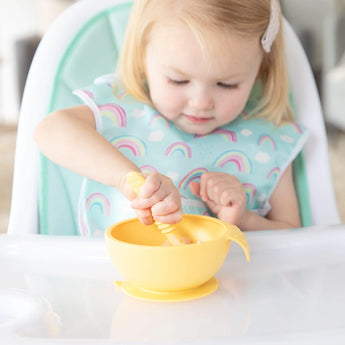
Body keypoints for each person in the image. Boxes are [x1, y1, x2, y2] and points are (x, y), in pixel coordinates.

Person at [34, 0, 308, 235]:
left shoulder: (266, 140)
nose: (201, 102)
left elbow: (294, 238)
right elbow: (50, 130)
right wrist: (129, 180)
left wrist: (244, 220)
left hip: (234, 292)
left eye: (227, 84)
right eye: (178, 80)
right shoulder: (121, 108)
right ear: (142, 58)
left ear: (260, 70)